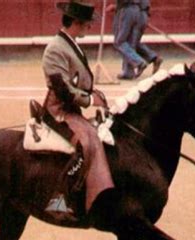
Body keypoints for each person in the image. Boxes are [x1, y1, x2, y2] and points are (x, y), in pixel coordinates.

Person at [42, 1, 114, 217]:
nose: (90, 27)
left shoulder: (69, 43)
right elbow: (62, 89)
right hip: (58, 112)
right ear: (75, 22)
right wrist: (91, 101)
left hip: (72, 110)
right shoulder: (55, 48)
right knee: (86, 144)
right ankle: (57, 201)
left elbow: (77, 83)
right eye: (87, 24)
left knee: (98, 136)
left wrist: (96, 95)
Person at [108, 0, 162, 80]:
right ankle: (129, 72)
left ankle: (139, 62)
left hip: (128, 9)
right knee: (131, 43)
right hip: (140, 11)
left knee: (120, 42)